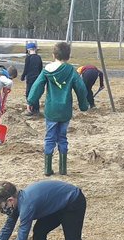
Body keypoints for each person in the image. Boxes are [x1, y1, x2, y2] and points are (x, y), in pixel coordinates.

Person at [27, 41, 89, 176]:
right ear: (68, 56)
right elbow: (81, 88)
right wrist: (83, 105)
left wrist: (31, 100)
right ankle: (63, 169)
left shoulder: (47, 70)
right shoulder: (71, 71)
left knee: (49, 137)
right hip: (65, 110)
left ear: (53, 55)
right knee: (62, 137)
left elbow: (37, 85)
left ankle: (48, 169)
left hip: (51, 109)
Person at [22, 41, 44, 116]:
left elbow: (26, 68)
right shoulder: (38, 57)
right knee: (35, 93)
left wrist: (22, 76)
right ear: (35, 49)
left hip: (30, 78)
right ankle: (36, 109)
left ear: (28, 50)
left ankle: (30, 109)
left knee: (29, 93)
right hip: (37, 78)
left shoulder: (28, 58)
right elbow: (41, 68)